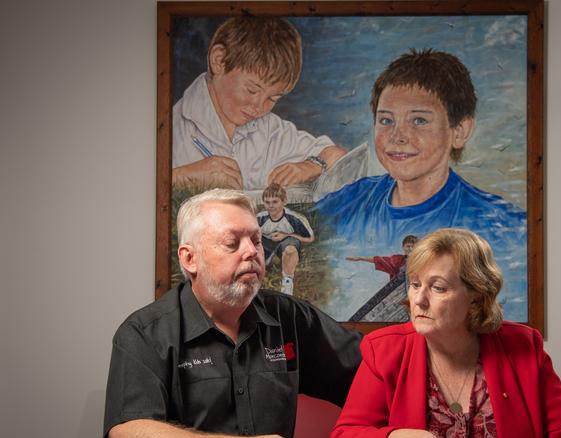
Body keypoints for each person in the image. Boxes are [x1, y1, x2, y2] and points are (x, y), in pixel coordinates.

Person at [330, 228, 561, 438]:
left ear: (477, 297)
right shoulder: (384, 348)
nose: (419, 300)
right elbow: (345, 436)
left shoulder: (523, 346)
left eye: (438, 287)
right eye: (414, 284)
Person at [103, 189, 361, 438]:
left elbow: (374, 372)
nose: (252, 251)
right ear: (190, 259)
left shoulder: (289, 317)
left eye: (256, 240)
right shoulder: (144, 333)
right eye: (232, 243)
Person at [313, 49, 527, 320]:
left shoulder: (508, 228)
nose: (398, 136)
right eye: (386, 120)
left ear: (459, 131)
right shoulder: (344, 205)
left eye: (419, 120)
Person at [172, 17, 346, 191]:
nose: (259, 107)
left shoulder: (270, 129)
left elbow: (341, 157)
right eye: (252, 90)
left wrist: (311, 166)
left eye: (272, 99)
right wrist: (181, 177)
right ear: (219, 60)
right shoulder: (170, 124)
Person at [257, 183, 314, 295]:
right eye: (267, 202)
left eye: (275, 202)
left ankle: (287, 282)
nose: (271, 206)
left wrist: (286, 235)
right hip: (267, 244)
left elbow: (310, 238)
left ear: (284, 201)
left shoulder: (295, 218)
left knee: (290, 249)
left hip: (286, 241)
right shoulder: (260, 218)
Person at [347, 234, 418, 282]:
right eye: (408, 246)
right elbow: (379, 260)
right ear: (403, 247)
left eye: (413, 246)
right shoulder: (397, 260)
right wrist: (360, 258)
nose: (410, 249)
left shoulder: (422, 260)